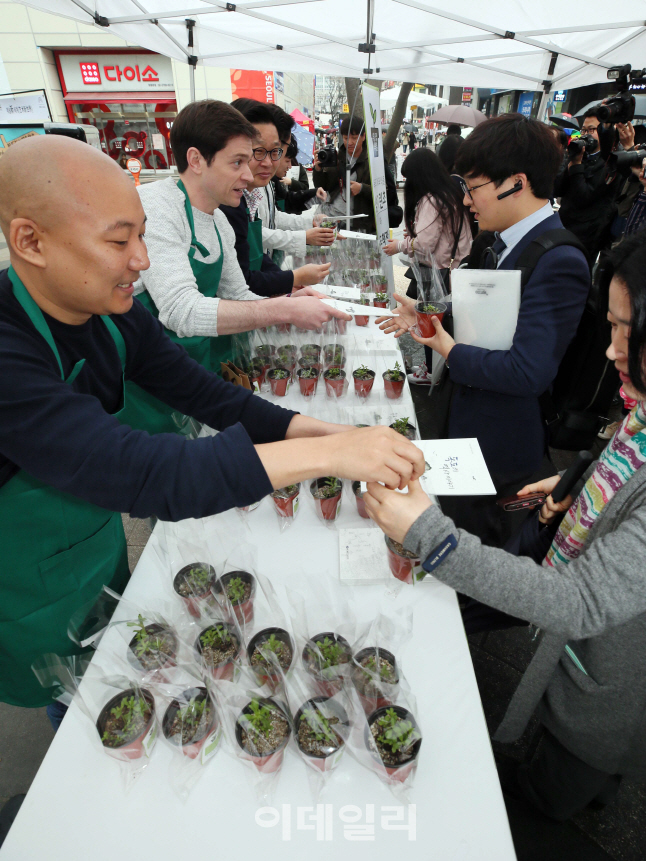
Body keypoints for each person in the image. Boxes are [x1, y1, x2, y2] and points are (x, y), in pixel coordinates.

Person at [0, 133, 425, 715]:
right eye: (119, 241)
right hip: (26, 578)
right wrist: (332, 458)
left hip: (91, 543)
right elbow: (147, 473)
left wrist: (335, 435)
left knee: (111, 656)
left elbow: (212, 398)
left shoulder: (108, 312)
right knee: (74, 702)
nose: (142, 261)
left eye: (143, 236)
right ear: (31, 240)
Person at [364, 220, 646, 822]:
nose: (609, 351)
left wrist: (428, 533)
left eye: (626, 333)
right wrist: (580, 485)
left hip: (620, 676)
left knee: (564, 779)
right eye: (609, 327)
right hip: (602, 647)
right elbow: (634, 469)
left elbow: (578, 602)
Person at [380, 113, 591, 549]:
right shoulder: (496, 243)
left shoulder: (559, 260)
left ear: (515, 182)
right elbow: (474, 302)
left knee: (478, 544)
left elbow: (528, 372)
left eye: (473, 188)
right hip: (470, 413)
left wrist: (449, 349)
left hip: (503, 435)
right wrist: (425, 308)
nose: (467, 201)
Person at [133, 100, 342, 398]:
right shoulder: (156, 207)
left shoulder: (219, 220)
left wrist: (290, 295)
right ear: (195, 160)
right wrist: (284, 307)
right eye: (237, 162)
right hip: (146, 383)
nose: (248, 175)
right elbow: (181, 310)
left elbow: (238, 294)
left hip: (193, 369)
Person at [382, 148, 472, 384]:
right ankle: (437, 369)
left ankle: (433, 372)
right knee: (440, 323)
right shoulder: (447, 194)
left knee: (431, 323)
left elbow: (425, 244)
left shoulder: (431, 200)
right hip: (452, 270)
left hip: (439, 272)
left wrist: (400, 245)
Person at [231, 99, 333, 269]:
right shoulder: (226, 197)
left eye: (275, 151)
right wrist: (303, 237)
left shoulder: (261, 185)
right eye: (259, 151)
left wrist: (284, 280)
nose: (269, 162)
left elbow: (271, 220)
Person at [554, 109, 634, 266]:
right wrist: (572, 160)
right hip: (564, 226)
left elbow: (584, 197)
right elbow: (557, 189)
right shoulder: (579, 152)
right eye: (584, 129)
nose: (586, 134)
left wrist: (576, 166)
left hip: (588, 236)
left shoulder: (611, 160)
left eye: (592, 130)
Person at [312, 114, 401, 235]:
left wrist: (362, 188)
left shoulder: (374, 160)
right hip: (332, 219)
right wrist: (317, 170)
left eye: (354, 137)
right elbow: (322, 187)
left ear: (363, 136)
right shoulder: (336, 158)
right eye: (345, 137)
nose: (349, 142)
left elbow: (388, 194)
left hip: (360, 225)